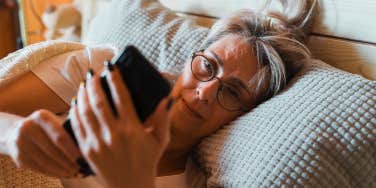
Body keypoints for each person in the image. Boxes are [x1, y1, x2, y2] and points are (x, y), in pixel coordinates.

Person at [0, 0, 317, 187]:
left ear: (246, 114)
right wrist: (11, 134)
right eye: (207, 65)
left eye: (232, 93)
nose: (206, 91)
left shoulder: (195, 182)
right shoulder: (103, 70)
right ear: (192, 57)